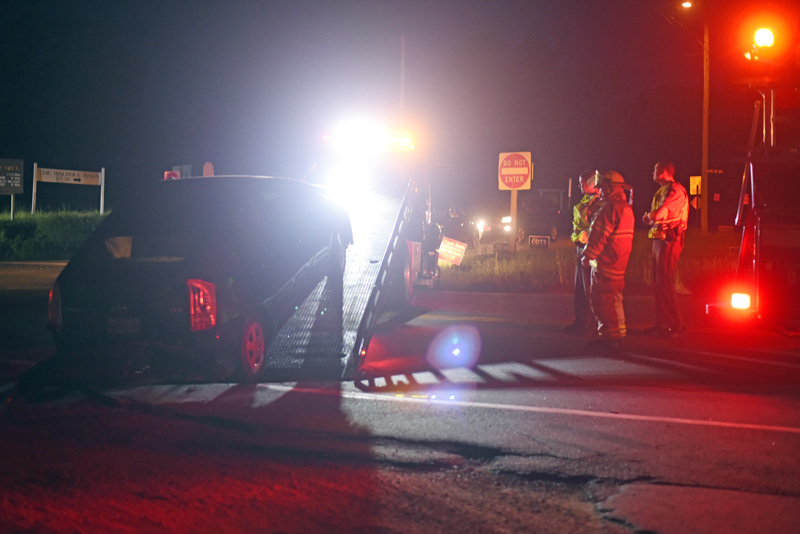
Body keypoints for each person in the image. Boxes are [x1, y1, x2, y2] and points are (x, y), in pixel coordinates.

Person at [581, 171, 634, 348]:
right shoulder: (626, 208)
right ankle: (620, 335)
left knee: (601, 301)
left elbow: (598, 236)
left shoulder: (609, 208)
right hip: (619, 263)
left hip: (605, 264)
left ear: (611, 188)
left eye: (603, 188)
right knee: (615, 299)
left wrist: (588, 255)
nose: (601, 192)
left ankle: (609, 338)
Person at [642, 160, 689, 338]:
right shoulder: (663, 191)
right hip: (660, 241)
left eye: (655, 169)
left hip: (669, 241)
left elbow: (660, 214)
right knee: (659, 284)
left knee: (666, 284)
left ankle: (676, 326)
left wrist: (649, 216)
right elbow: (657, 216)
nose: (652, 171)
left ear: (664, 171)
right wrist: (652, 218)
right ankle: (662, 324)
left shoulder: (675, 191)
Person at [563, 170, 600, 334]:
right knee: (580, 289)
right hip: (580, 246)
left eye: (582, 183)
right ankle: (580, 321)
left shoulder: (599, 200)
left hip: (589, 248)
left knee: (588, 289)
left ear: (592, 183)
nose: (579, 186)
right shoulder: (587, 199)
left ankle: (590, 323)